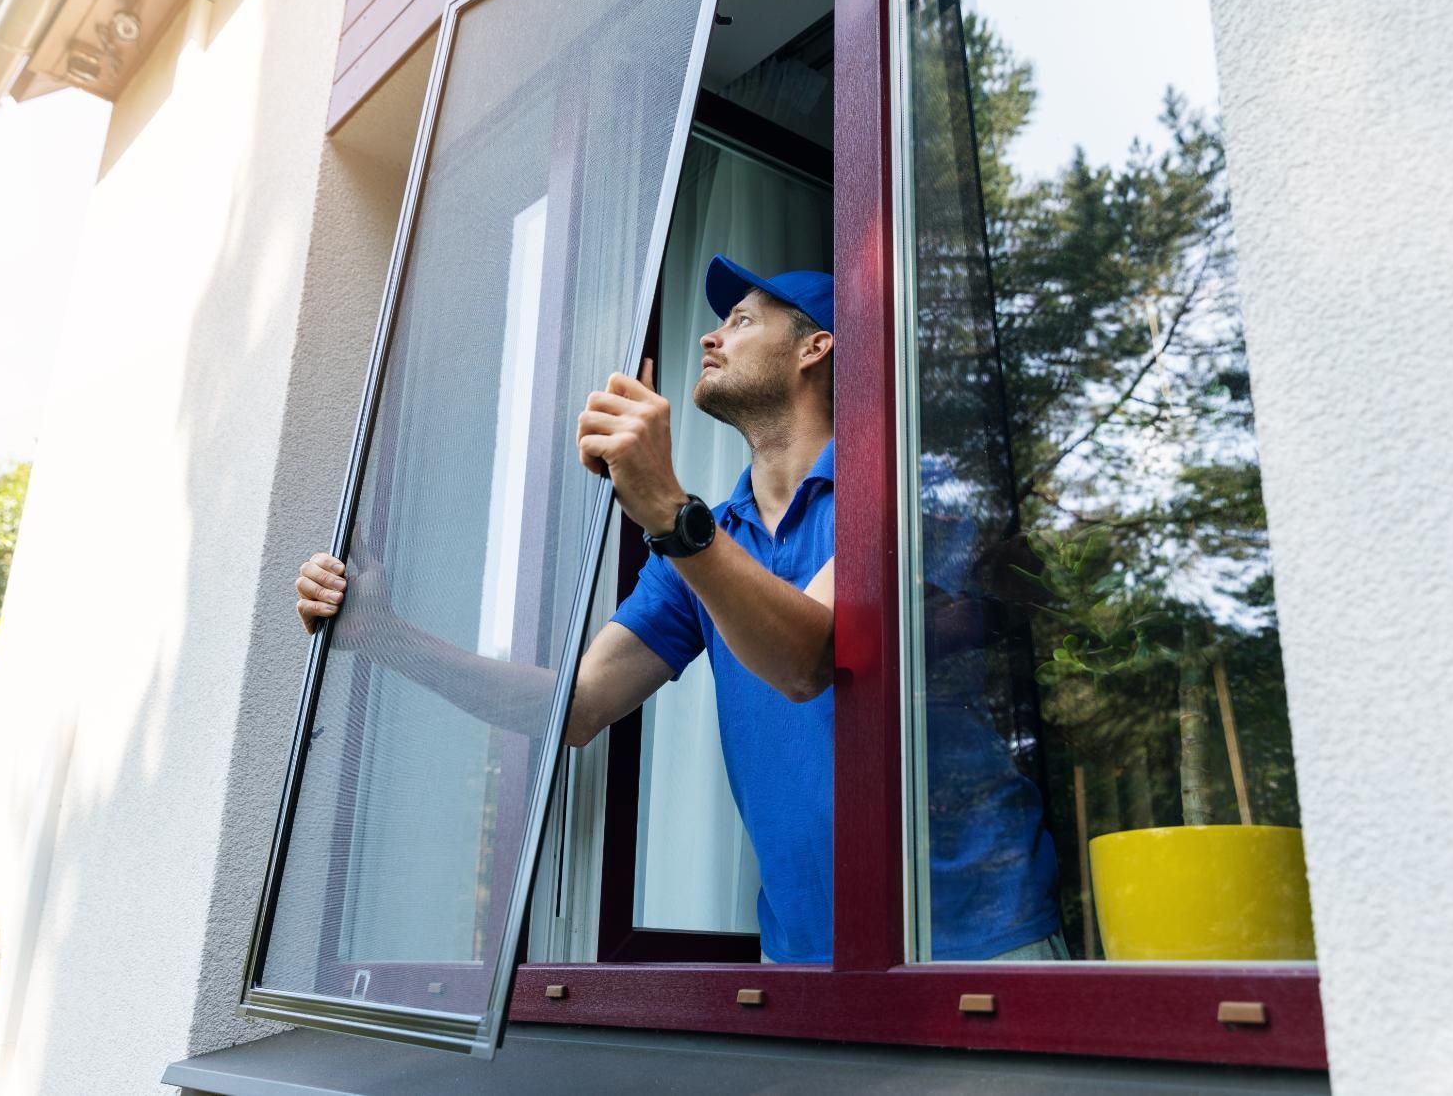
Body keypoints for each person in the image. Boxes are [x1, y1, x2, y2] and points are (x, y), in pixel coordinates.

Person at [294, 255, 1062, 964]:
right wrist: (387, 638)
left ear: (813, 348)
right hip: (805, 957)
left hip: (981, 934)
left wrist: (666, 507)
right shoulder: (710, 543)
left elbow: (807, 657)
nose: (710, 333)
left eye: (742, 320)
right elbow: (576, 706)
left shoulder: (897, 485)